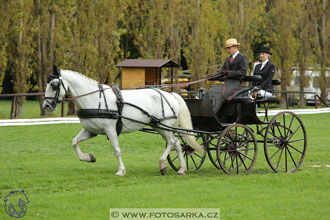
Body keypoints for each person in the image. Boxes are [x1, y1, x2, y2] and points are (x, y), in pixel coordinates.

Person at [203, 38, 248, 117]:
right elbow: (221, 72)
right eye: (227, 48)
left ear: (235, 47)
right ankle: (205, 113)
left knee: (214, 92)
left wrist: (228, 73)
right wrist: (212, 77)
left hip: (235, 85)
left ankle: (212, 114)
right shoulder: (228, 59)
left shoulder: (242, 57)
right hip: (226, 84)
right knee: (208, 91)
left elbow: (242, 72)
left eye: (229, 48)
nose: (228, 50)